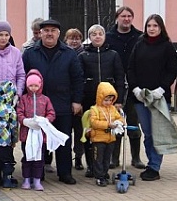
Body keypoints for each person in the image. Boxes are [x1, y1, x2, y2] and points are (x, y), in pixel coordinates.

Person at [22, 19, 84, 185]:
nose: (49, 33)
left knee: (63, 139)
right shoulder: (30, 53)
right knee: (37, 140)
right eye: (46, 30)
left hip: (62, 103)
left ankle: (65, 173)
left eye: (53, 30)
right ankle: (37, 172)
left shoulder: (69, 53)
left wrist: (77, 101)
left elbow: (78, 79)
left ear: (58, 33)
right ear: (40, 33)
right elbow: (22, 78)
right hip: (36, 106)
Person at [127, 14, 177, 181]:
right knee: (148, 132)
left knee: (157, 132)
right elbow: (131, 68)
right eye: (149, 26)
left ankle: (154, 167)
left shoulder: (167, 47)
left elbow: (172, 70)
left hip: (159, 98)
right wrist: (135, 88)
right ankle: (151, 161)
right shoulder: (139, 45)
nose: (152, 29)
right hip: (141, 97)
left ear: (161, 27)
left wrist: (161, 89)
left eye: (155, 26)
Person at [78, 24, 125, 176]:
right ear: (89, 37)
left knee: (107, 131)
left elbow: (119, 78)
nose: (97, 36)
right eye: (94, 34)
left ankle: (105, 164)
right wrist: (78, 100)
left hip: (109, 102)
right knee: (90, 132)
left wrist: (119, 100)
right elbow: (78, 80)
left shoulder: (113, 55)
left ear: (104, 36)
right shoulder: (83, 55)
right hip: (89, 99)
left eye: (100, 34)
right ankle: (91, 165)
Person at [105, 6, 143, 169]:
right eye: (123, 16)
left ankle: (136, 158)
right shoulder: (108, 37)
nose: (126, 19)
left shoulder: (140, 36)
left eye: (129, 16)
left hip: (135, 86)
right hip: (114, 88)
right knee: (116, 123)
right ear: (117, 18)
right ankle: (114, 158)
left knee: (134, 124)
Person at [16, 69, 55, 191]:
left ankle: (37, 180)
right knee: (27, 157)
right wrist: (25, 121)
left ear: (40, 85)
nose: (33, 88)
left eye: (36, 85)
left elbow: (51, 113)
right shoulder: (23, 99)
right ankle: (26, 179)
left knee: (39, 158)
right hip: (26, 134)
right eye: (31, 85)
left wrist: (45, 121)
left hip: (40, 135)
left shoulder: (45, 99)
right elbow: (19, 112)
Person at [87, 82, 125, 187]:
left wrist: (120, 122)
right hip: (98, 139)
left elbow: (119, 118)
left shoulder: (113, 109)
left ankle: (104, 173)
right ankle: (99, 176)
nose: (108, 102)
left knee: (107, 158)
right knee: (98, 158)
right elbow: (94, 123)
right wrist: (108, 125)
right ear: (100, 98)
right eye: (106, 100)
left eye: (110, 100)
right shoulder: (94, 109)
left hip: (110, 138)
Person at [64, 27, 85, 171]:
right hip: (65, 98)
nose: (74, 41)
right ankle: (65, 159)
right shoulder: (63, 54)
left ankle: (78, 157)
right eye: (71, 38)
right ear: (66, 40)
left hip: (80, 99)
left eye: (77, 38)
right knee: (65, 131)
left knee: (79, 131)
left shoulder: (85, 54)